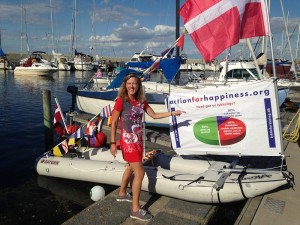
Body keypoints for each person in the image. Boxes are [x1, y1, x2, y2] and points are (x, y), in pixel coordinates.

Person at [110, 73, 185, 221]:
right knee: (140, 172)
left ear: (138, 86)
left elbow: (155, 115)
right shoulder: (121, 101)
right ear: (125, 85)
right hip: (128, 142)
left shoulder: (141, 101)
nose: (132, 86)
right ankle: (135, 209)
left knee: (130, 168)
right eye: (129, 83)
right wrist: (112, 143)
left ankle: (122, 193)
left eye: (135, 83)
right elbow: (113, 122)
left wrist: (173, 113)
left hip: (138, 141)